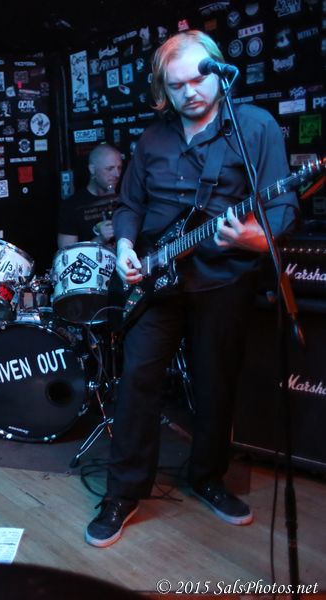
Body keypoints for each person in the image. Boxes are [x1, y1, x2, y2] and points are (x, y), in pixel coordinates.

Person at [85, 30, 298, 548]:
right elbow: (130, 204)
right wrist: (125, 245)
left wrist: (253, 238)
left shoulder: (254, 128)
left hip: (222, 279)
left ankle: (207, 476)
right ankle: (122, 493)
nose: (190, 93)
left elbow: (283, 207)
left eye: (198, 80)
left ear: (220, 71)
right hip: (157, 280)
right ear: (164, 89)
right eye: (176, 86)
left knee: (215, 384)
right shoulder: (151, 140)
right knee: (137, 381)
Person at [57, 143, 123, 248]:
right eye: (110, 168)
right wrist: (100, 239)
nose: (117, 174)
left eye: (119, 168)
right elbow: (67, 253)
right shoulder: (72, 206)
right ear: (92, 169)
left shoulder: (124, 198)